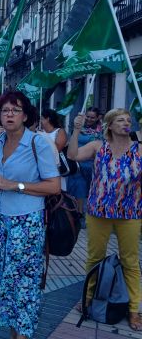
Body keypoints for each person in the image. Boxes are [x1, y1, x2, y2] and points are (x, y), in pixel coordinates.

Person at [0, 91, 60, 339]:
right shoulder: (0, 141)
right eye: (5, 111)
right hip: (0, 219)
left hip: (27, 221)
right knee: (6, 277)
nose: (9, 114)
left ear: (25, 115)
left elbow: (53, 186)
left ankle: (23, 333)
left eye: (15, 110)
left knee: (25, 280)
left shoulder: (37, 143)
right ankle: (15, 328)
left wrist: (17, 185)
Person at [67, 108, 142, 331]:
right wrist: (75, 130)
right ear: (109, 125)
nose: (125, 123)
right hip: (98, 211)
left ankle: (134, 309)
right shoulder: (98, 146)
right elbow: (72, 156)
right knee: (94, 258)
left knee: (130, 261)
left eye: (128, 120)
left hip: (129, 213)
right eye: (120, 120)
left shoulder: (139, 149)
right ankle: (88, 298)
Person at [67, 106, 102, 221]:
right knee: (79, 188)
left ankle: (92, 214)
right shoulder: (77, 128)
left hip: (91, 165)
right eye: (87, 116)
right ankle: (79, 213)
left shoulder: (101, 132)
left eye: (92, 117)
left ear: (97, 118)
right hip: (77, 164)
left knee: (92, 191)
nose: (89, 119)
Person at [40, 109, 68, 190]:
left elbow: (56, 149)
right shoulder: (39, 132)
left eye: (42, 118)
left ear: (47, 119)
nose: (40, 121)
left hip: (55, 167)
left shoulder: (59, 131)